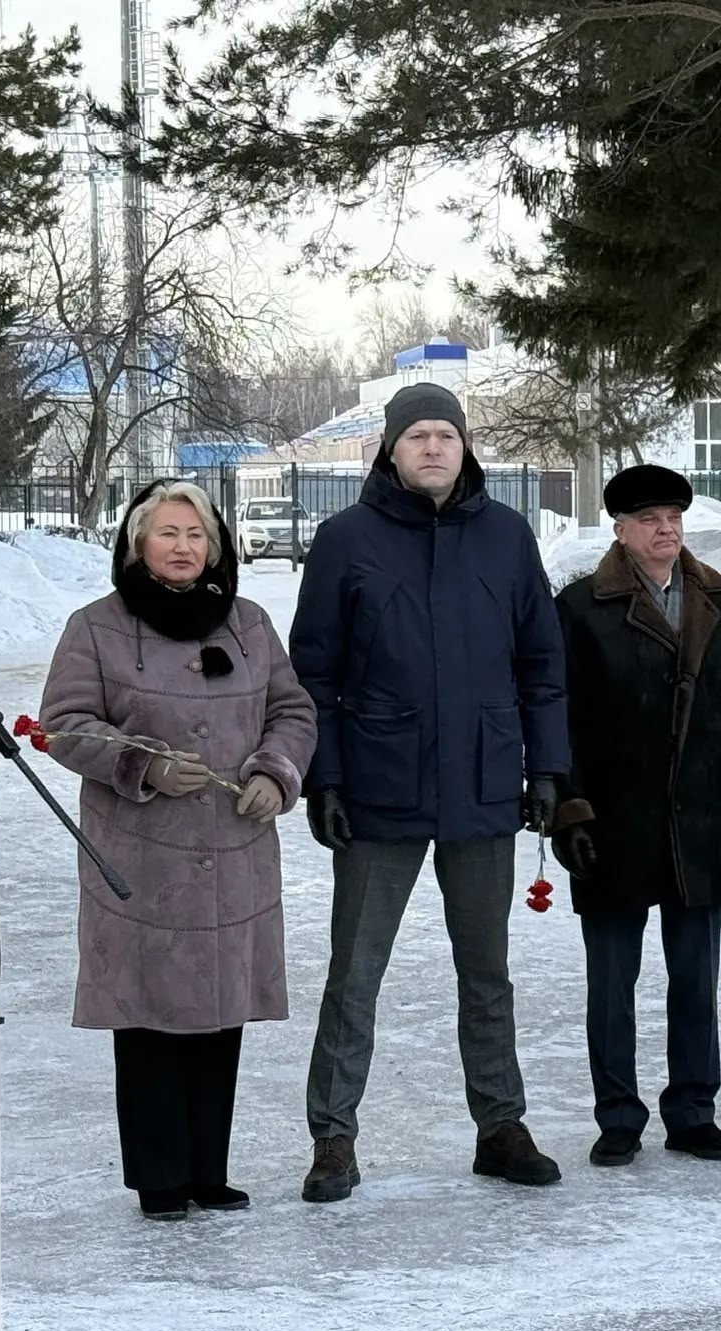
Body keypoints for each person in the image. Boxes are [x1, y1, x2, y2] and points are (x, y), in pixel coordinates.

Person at [291, 381, 569, 1200]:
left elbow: (542, 665)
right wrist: (326, 777)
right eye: (418, 436)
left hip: (483, 788)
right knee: (356, 973)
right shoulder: (347, 540)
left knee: (487, 972)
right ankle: (333, 1136)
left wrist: (546, 768)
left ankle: (501, 1125)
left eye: (447, 434)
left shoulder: (508, 538)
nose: (434, 448)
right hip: (379, 791)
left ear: (466, 445)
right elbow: (316, 673)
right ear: (390, 448)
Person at [39, 480, 316, 1220]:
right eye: (167, 533)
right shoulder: (96, 626)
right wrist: (144, 764)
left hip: (233, 849)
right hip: (142, 855)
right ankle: (160, 1178)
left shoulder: (249, 624)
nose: (183, 547)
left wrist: (274, 772)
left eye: (196, 534)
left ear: (215, 545)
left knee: (219, 1012)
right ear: (138, 544)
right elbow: (63, 723)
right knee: (152, 1015)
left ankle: (207, 1170)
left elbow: (291, 710)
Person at [549, 465, 721, 1167]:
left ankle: (692, 1110)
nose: (666, 530)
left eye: (674, 517)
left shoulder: (720, 600)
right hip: (613, 819)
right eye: (649, 519)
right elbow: (558, 717)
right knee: (612, 983)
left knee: (695, 977)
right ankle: (618, 1115)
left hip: (699, 818)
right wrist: (569, 810)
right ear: (620, 530)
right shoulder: (583, 608)